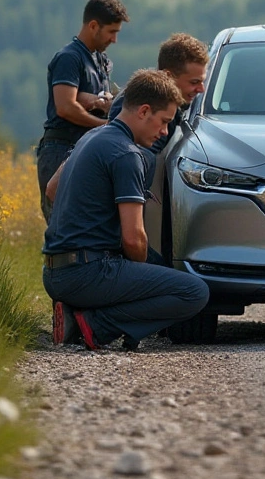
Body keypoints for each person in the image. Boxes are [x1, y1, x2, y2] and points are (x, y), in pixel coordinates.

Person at [44, 69, 210, 350]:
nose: (164, 132)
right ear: (144, 111)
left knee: (160, 270)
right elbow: (134, 239)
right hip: (87, 273)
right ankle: (94, 326)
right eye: (164, 122)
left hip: (54, 273)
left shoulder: (92, 137)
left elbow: (52, 189)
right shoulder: (127, 154)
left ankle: (77, 314)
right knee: (194, 291)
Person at [44, 32, 210, 203]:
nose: (201, 89)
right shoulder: (139, 108)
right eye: (194, 82)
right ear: (168, 76)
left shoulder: (165, 99)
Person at [36, 0, 128, 222]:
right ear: (93, 25)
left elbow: (79, 98)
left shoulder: (99, 60)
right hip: (61, 147)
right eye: (111, 32)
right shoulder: (69, 58)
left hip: (83, 149)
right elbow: (66, 107)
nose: (114, 39)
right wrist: (105, 126)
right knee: (63, 227)